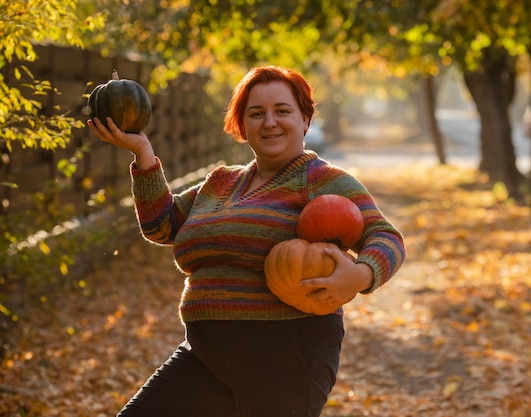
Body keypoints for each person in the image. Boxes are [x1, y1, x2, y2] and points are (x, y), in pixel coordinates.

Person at [87, 65, 405, 417]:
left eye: (282, 111)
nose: (269, 122)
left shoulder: (322, 180)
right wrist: (143, 154)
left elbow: (385, 237)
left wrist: (361, 275)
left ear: (305, 120)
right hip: (204, 354)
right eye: (256, 113)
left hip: (286, 357)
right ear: (242, 126)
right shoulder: (221, 182)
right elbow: (162, 225)